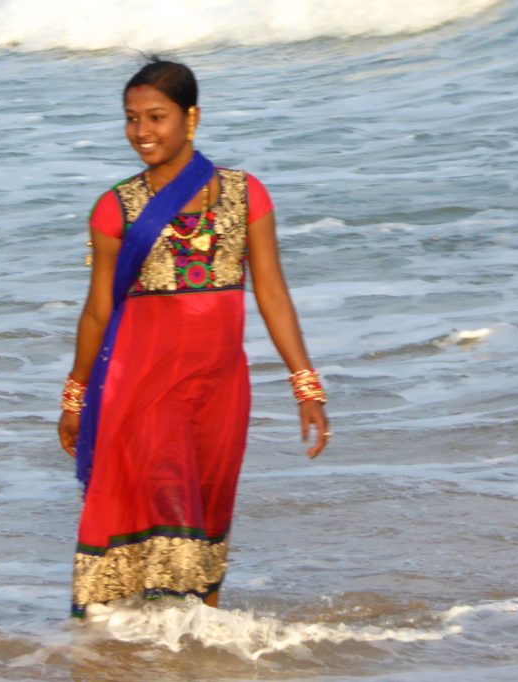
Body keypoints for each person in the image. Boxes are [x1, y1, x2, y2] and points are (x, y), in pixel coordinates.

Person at [57, 58, 330, 619]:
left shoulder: (245, 193)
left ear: (192, 117)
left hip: (218, 392)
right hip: (142, 390)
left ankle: (187, 653)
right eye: (131, 119)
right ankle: (129, 644)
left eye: (156, 117)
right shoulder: (116, 207)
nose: (141, 133)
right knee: (165, 504)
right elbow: (97, 311)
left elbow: (272, 294)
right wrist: (75, 396)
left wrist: (306, 384)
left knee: (205, 517)